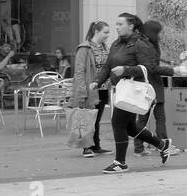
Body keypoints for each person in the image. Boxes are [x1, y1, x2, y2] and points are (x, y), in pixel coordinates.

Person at [94, 13, 171, 173]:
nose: (117, 27)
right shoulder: (116, 44)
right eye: (116, 24)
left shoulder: (141, 44)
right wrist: (98, 81)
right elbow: (108, 66)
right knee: (130, 128)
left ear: (131, 26)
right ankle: (162, 144)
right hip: (121, 90)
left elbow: (148, 68)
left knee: (117, 123)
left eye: (120, 24)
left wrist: (125, 70)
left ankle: (120, 163)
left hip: (132, 90)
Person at [73, 21, 112, 158]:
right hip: (90, 90)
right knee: (87, 119)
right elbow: (79, 72)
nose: (108, 35)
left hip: (103, 89)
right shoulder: (84, 48)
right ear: (96, 31)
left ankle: (96, 146)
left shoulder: (105, 47)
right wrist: (82, 92)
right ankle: (86, 147)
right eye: (105, 32)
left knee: (96, 119)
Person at [134, 20, 172, 156]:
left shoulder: (147, 43)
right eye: (158, 32)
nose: (160, 36)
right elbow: (152, 68)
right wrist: (173, 70)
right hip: (151, 86)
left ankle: (139, 148)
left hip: (149, 86)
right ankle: (163, 145)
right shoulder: (146, 45)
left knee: (144, 119)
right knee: (158, 118)